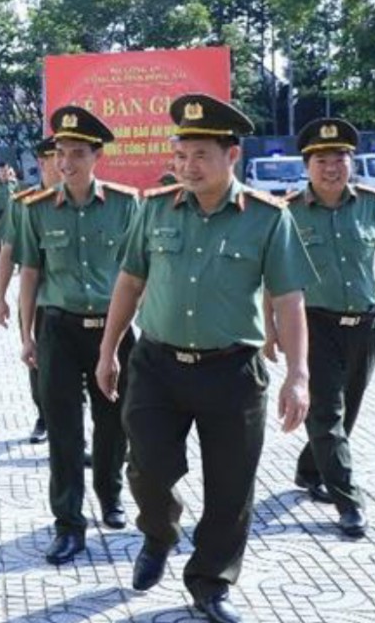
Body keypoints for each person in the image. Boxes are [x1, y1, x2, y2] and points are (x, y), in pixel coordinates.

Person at [95, 93, 316, 623]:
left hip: (233, 370)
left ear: (231, 156)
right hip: (156, 365)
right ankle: (160, 530)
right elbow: (130, 280)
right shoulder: (154, 210)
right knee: (146, 467)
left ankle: (211, 580)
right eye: (181, 155)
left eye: (201, 155)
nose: (188, 166)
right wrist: (109, 349)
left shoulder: (267, 218)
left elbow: (288, 298)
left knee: (230, 485)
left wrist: (299, 376)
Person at [272, 118, 375, 540]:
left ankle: (310, 468)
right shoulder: (289, 212)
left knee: (346, 410)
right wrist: (270, 327)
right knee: (326, 411)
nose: (331, 167)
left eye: (340, 158)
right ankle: (348, 500)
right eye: (321, 159)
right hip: (313, 325)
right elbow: (272, 275)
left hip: (365, 325)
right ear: (306, 164)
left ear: (352, 162)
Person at [14, 109, 141, 565]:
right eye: (61, 154)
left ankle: (110, 495)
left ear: (97, 156)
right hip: (60, 330)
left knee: (114, 421)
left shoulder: (128, 205)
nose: (66, 163)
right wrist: (27, 334)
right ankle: (68, 524)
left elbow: (140, 271)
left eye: (77, 154)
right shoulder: (38, 209)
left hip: (114, 329)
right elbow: (30, 273)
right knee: (64, 430)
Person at [0, 137, 59, 445]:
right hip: (37, 299)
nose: (61, 164)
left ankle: (73, 424)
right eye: (52, 159)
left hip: (73, 301)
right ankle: (45, 415)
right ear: (42, 164)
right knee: (37, 360)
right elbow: (7, 250)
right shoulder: (23, 204)